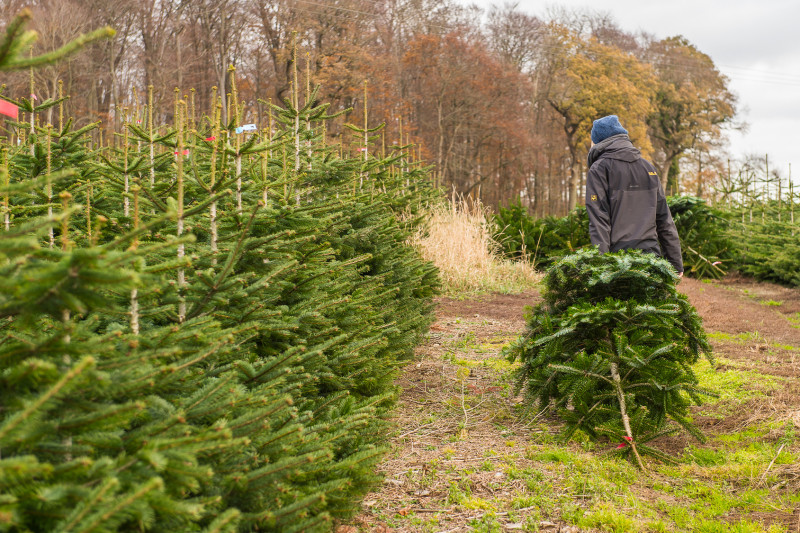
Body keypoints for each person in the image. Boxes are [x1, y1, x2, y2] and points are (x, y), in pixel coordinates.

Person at [585, 115, 684, 277]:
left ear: (599, 141)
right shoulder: (648, 168)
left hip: (617, 260)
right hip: (651, 256)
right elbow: (665, 219)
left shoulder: (599, 169)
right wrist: (675, 263)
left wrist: (602, 265)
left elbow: (599, 221)